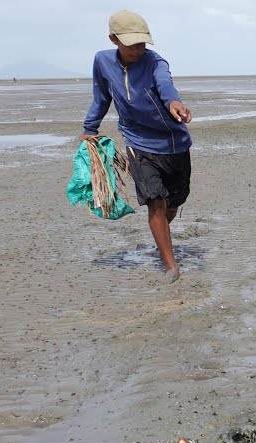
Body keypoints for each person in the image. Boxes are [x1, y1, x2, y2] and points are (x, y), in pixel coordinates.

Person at [80, 10, 192, 283]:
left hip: (173, 143)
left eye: (143, 43)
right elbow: (101, 96)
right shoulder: (102, 61)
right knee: (155, 203)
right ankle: (170, 266)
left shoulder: (155, 62)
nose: (139, 49)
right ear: (114, 39)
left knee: (173, 204)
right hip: (137, 143)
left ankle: (162, 235)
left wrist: (173, 102)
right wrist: (89, 128)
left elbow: (166, 85)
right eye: (132, 44)